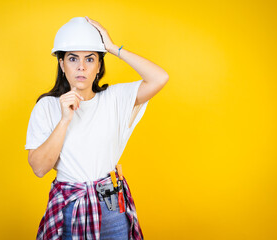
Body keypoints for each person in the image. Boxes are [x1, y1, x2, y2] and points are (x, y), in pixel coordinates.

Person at [25, 16, 169, 240]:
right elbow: (39, 168)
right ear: (62, 64)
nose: (81, 66)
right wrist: (64, 120)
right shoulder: (47, 107)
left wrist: (112, 48)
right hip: (70, 204)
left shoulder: (115, 99)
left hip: (111, 203)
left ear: (99, 65)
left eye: (90, 59)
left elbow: (160, 78)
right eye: (73, 59)